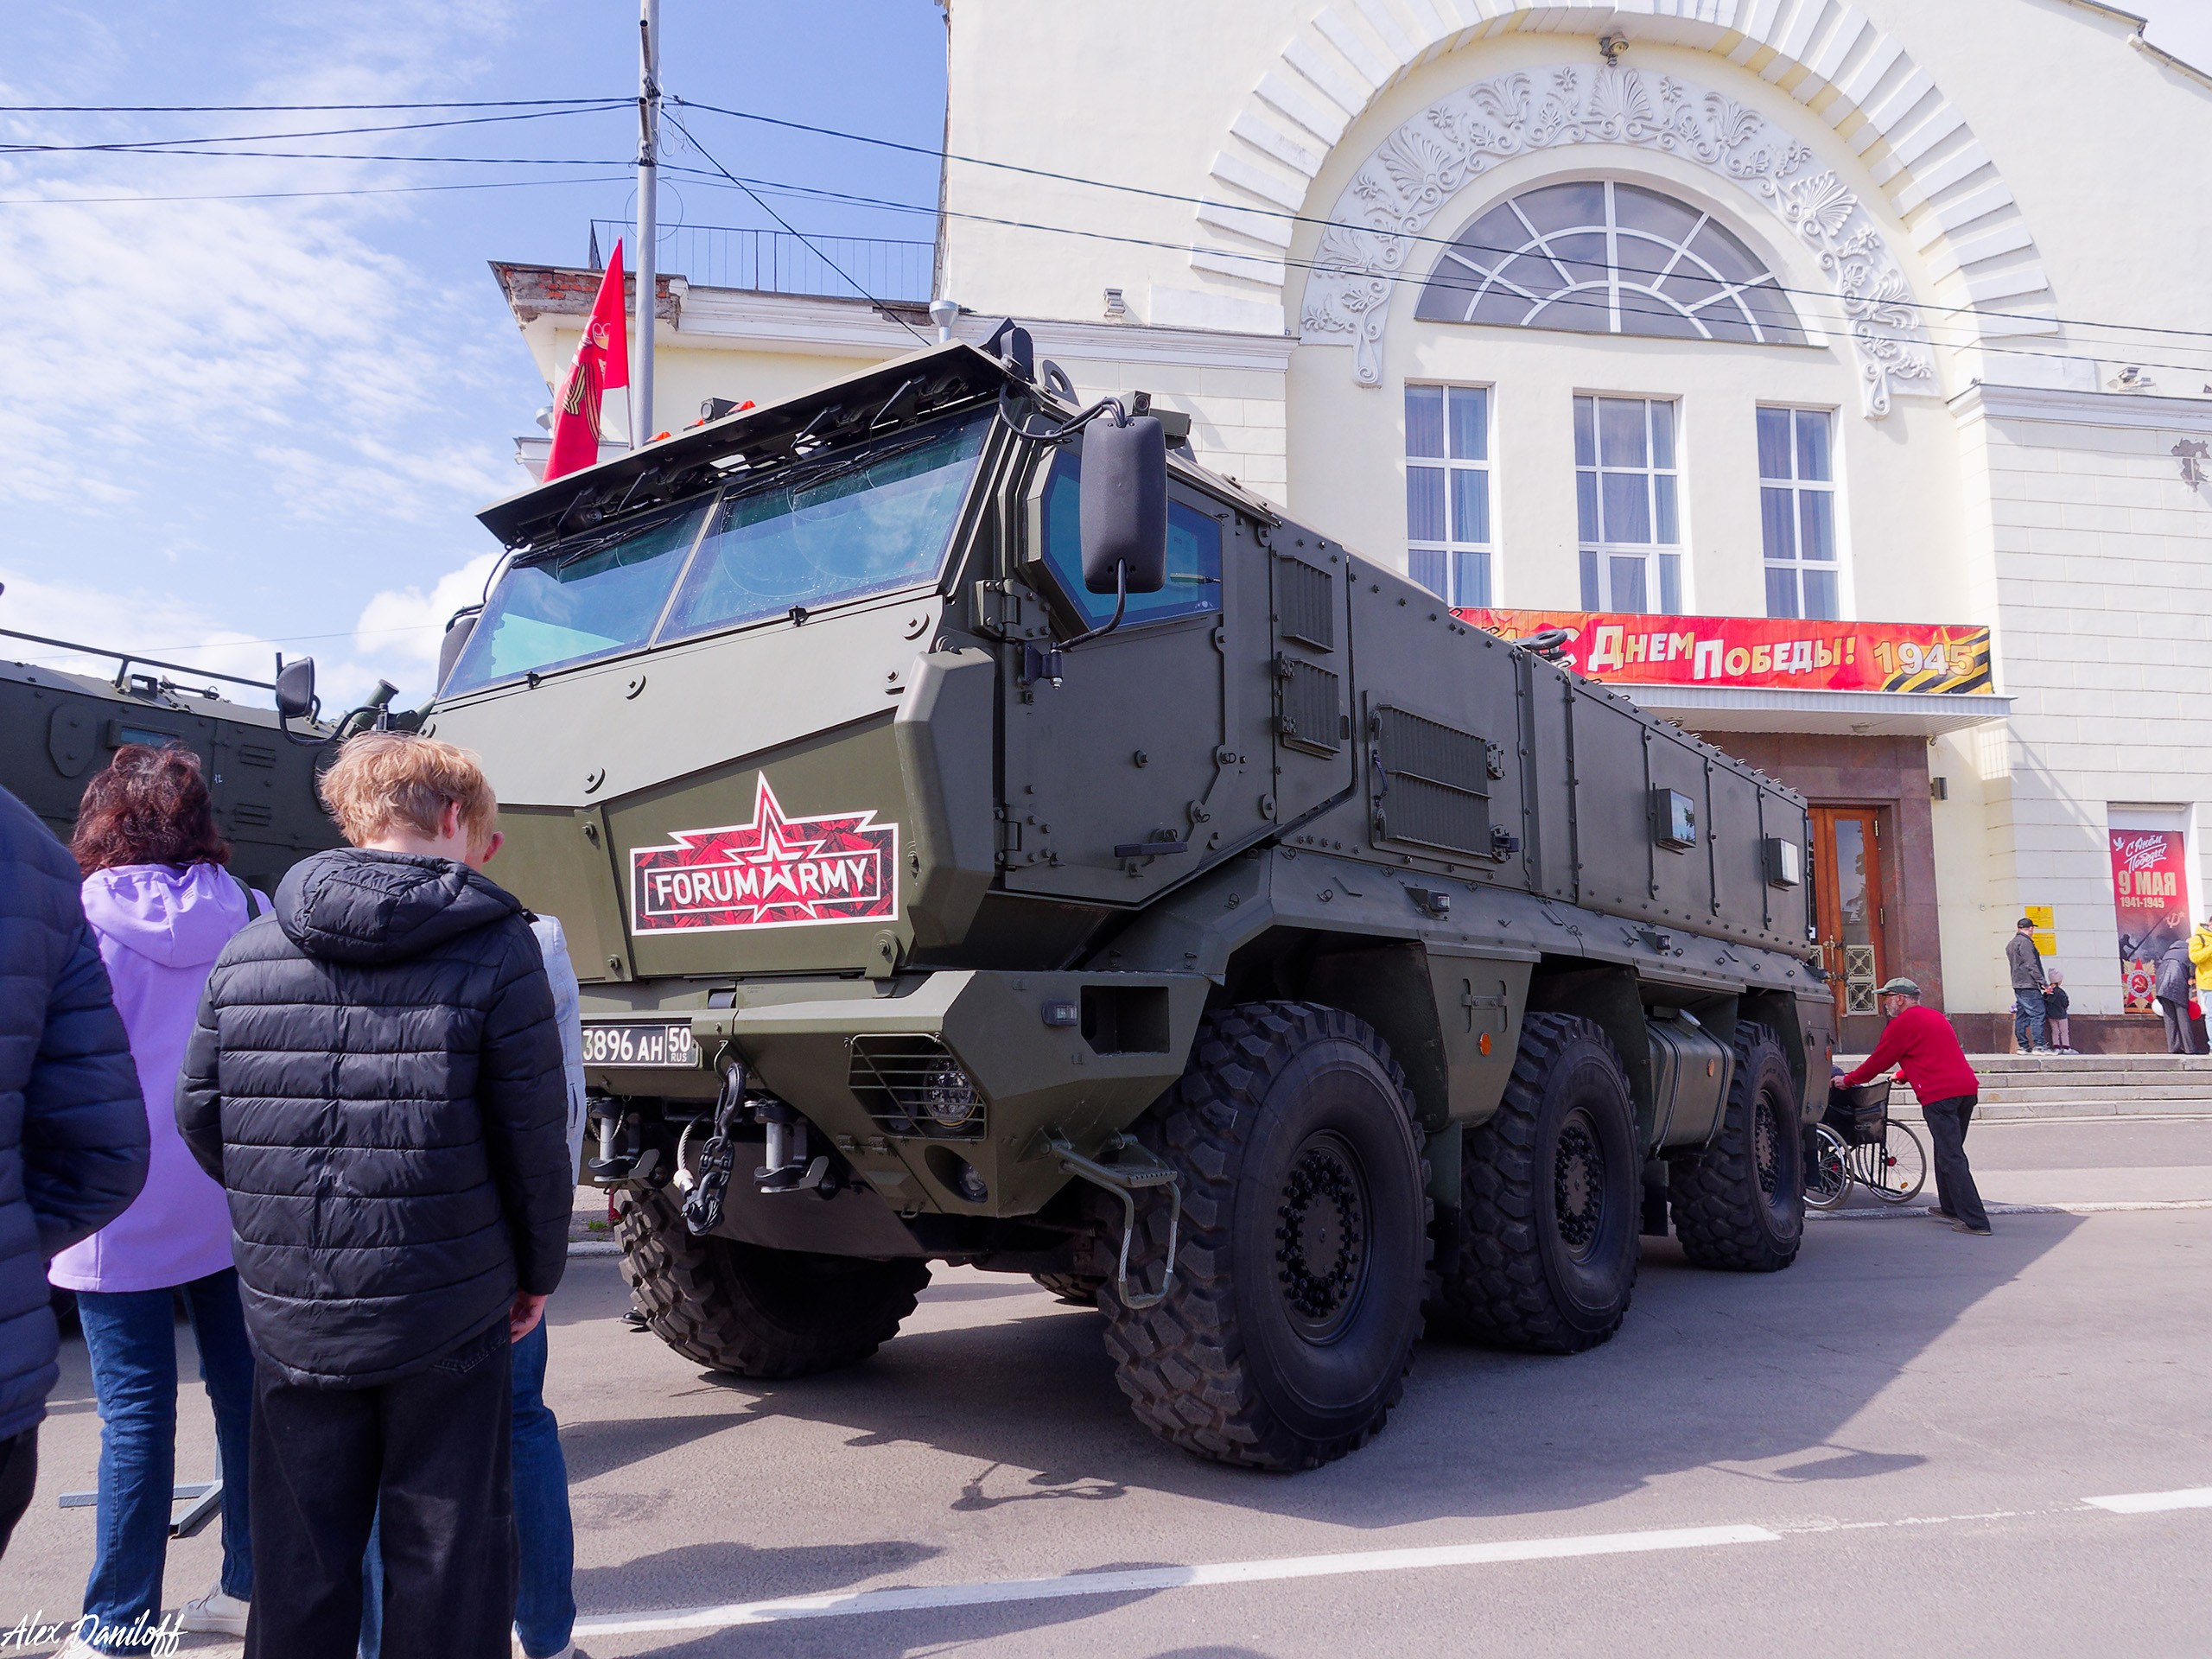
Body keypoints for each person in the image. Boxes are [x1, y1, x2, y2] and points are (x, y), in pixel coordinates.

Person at [177, 732, 573, 1659]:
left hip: (294, 1306)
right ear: (453, 816)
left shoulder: (249, 947)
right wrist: (537, 1272)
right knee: (446, 1560)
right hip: (448, 1303)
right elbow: (533, 1141)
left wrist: (282, 1215)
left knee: (298, 1563)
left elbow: (201, 1113)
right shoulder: (499, 949)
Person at [48, 749, 259, 1653]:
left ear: (102, 823)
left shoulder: (74, 919)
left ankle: (118, 1624)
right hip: (232, 1189)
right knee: (246, 1397)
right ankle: (248, 1585)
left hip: (112, 1200)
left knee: (134, 1415)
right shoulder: (250, 910)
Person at [361, 912, 587, 1659]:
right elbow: (559, 1115)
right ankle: (548, 1639)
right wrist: (539, 1253)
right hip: (492, 1241)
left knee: (371, 1442)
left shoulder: (304, 928)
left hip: (363, 1245)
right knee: (518, 1422)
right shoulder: (529, 939)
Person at [0, 783, 147, 1563]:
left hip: (113, 1254)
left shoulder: (87, 895)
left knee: (132, 1413)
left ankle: (117, 1614)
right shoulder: (27, 852)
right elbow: (101, 1155)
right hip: (203, 1220)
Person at [1840, 977, 1991, 1236]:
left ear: (1900, 998)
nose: (1885, 1003)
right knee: (1947, 1150)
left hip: (1940, 1096)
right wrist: (1903, 1075)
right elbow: (1935, 1053)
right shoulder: (1936, 1017)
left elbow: (1878, 1061)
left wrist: (1848, 1080)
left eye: (1887, 997)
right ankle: (1950, 1207)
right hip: (1965, 1090)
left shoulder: (1902, 1024)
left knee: (1952, 1156)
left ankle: (1976, 1221)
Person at [2006, 916, 2049, 1052]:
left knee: (2022, 1014)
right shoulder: (2026, 943)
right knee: (2038, 1013)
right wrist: (2042, 982)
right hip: (2029, 984)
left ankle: (2023, 1046)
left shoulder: (2011, 943)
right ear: (2030, 929)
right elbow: (2031, 964)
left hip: (2018, 983)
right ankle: (2039, 1045)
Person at [2155, 934, 2198, 1055]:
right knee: (2182, 1016)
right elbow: (2192, 972)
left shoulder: (2170, 951)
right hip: (2176, 983)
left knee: (2169, 1017)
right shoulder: (2189, 952)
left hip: (2161, 983)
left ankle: (2173, 1048)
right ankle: (2190, 1048)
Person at [2043, 969, 2075, 1054]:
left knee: (2055, 1031)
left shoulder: (2047, 992)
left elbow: (2044, 1001)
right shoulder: (2061, 993)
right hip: (2061, 1015)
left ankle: (2056, 1047)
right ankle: (2066, 1047)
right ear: (2059, 981)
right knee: (2064, 1032)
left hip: (2051, 1016)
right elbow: (2065, 1003)